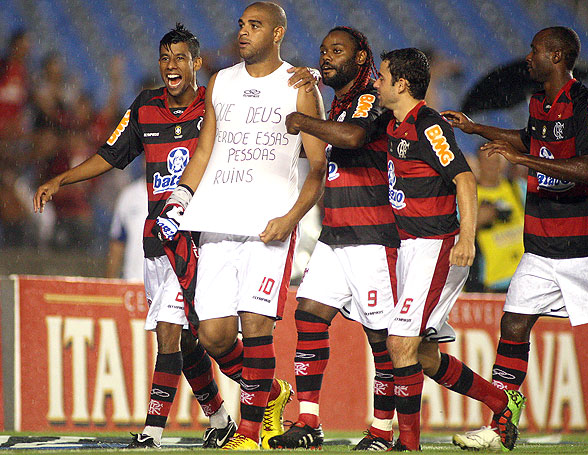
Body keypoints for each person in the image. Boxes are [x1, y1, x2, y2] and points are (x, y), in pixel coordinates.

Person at [34, 23, 237, 449]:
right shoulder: (146, 106)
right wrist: (62, 180)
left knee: (169, 330)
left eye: (180, 58)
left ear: (197, 63)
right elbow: (110, 155)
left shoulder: (215, 105)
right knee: (184, 338)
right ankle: (225, 416)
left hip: (197, 238)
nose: (171, 66)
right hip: (155, 241)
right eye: (165, 59)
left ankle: (152, 432)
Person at [153, 2, 327, 450]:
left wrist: (289, 220)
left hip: (267, 227)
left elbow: (318, 168)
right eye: (241, 25)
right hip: (214, 223)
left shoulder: (299, 85)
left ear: (278, 33)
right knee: (213, 334)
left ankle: (248, 435)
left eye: (255, 25)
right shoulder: (221, 82)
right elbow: (204, 152)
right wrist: (179, 200)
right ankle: (271, 395)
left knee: (256, 325)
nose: (244, 32)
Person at [443, 26, 588, 451]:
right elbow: (534, 141)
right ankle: (500, 425)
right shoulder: (539, 102)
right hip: (543, 244)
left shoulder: (587, 103)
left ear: (555, 56)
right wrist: (478, 129)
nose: (527, 57)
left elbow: (587, 169)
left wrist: (523, 160)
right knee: (514, 322)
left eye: (534, 51)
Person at [373, 48, 526, 452]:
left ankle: (408, 445)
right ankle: (502, 405)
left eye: (382, 76)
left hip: (437, 247)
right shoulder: (393, 124)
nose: (376, 82)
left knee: (399, 344)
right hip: (409, 248)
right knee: (422, 355)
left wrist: (467, 238)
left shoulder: (430, 125)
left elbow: (465, 180)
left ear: (401, 85)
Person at [266, 26, 399, 450]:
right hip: (335, 232)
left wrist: (303, 121)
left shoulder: (373, 96)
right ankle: (308, 423)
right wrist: (313, 82)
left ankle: (381, 429)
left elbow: (355, 136)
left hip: (373, 235)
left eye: (336, 51)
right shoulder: (341, 98)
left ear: (361, 59)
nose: (327, 57)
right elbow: (334, 121)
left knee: (381, 337)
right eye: (323, 50)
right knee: (308, 316)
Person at [466, 148, 525, 292]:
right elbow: (459, 231)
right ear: (478, 164)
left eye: (496, 161)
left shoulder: (516, 187)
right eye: (487, 161)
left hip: (524, 277)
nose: (492, 166)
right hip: (492, 283)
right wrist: (479, 219)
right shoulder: (469, 194)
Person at [106, 170, 146, 281]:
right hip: (133, 280)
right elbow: (117, 241)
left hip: (167, 286)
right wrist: (110, 282)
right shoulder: (129, 195)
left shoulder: (180, 193)